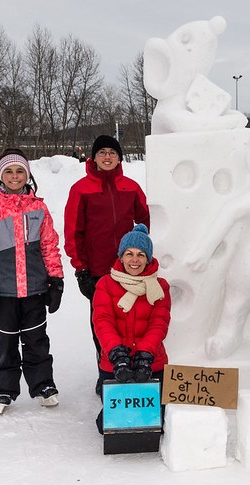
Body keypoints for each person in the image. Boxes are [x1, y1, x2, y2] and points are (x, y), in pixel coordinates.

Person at [0, 148, 64, 413]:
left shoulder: (38, 208)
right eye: (8, 171)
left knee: (37, 340)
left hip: (34, 288)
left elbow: (49, 246)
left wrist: (56, 279)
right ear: (0, 175)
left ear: (27, 174)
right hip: (4, 289)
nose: (14, 176)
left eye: (19, 171)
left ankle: (43, 384)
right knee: (5, 342)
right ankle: (4, 390)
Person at [64, 135, 150, 395]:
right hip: (99, 273)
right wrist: (81, 269)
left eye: (112, 152)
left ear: (119, 157)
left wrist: (143, 255)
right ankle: (107, 374)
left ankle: (135, 369)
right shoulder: (81, 189)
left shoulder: (131, 187)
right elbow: (73, 232)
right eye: (102, 152)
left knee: (134, 322)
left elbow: (146, 220)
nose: (107, 157)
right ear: (94, 157)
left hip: (130, 270)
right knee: (103, 325)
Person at [92, 224, 170, 433]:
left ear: (148, 259)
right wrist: (117, 354)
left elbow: (159, 323)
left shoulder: (160, 286)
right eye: (129, 254)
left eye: (140, 254)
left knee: (156, 423)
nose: (134, 260)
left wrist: (145, 354)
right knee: (109, 425)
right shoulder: (105, 284)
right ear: (121, 256)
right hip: (115, 361)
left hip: (152, 360)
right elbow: (102, 321)